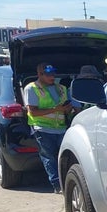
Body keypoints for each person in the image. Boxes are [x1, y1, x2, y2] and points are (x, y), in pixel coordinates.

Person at [23, 63, 75, 193]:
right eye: (48, 74)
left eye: (53, 73)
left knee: (64, 156)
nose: (52, 76)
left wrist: (68, 110)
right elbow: (33, 112)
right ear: (39, 74)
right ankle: (57, 185)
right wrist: (56, 109)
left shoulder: (62, 88)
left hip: (61, 128)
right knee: (49, 157)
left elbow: (65, 108)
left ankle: (68, 182)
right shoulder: (32, 88)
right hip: (42, 129)